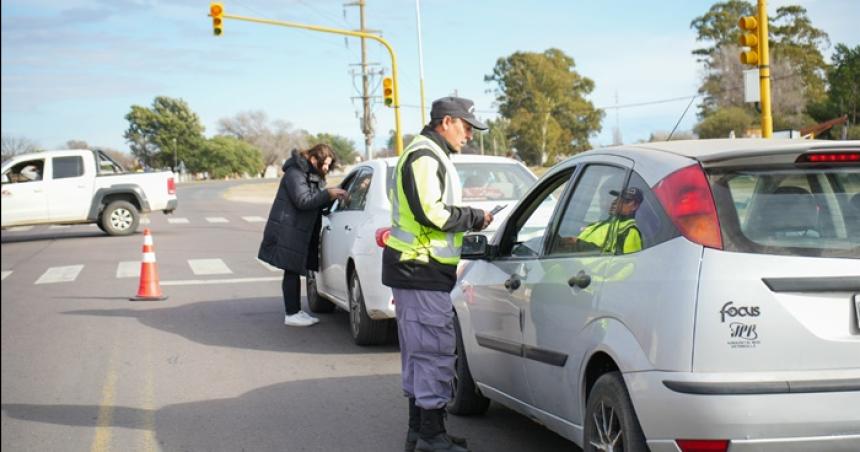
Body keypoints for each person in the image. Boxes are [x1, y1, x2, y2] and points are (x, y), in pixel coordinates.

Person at [383, 97, 493, 452]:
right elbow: (432, 213)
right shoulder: (425, 156)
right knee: (433, 352)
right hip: (420, 268)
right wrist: (475, 217)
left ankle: (422, 432)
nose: (469, 136)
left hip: (417, 270)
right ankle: (431, 436)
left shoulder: (427, 153)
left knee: (420, 354)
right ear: (446, 122)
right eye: (466, 127)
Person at [258, 144, 347, 327]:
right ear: (314, 159)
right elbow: (303, 201)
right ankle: (291, 313)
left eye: (329, 165)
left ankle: (296, 311)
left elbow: (315, 201)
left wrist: (331, 196)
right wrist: (328, 194)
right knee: (291, 270)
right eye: (324, 164)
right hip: (288, 229)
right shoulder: (295, 173)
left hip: (297, 228)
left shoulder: (310, 174)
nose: (326, 168)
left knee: (294, 270)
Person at [560, 187, 644, 254]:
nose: (617, 202)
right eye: (619, 198)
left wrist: (579, 244)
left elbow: (623, 266)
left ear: (635, 206)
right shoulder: (603, 223)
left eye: (625, 201)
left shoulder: (629, 232)